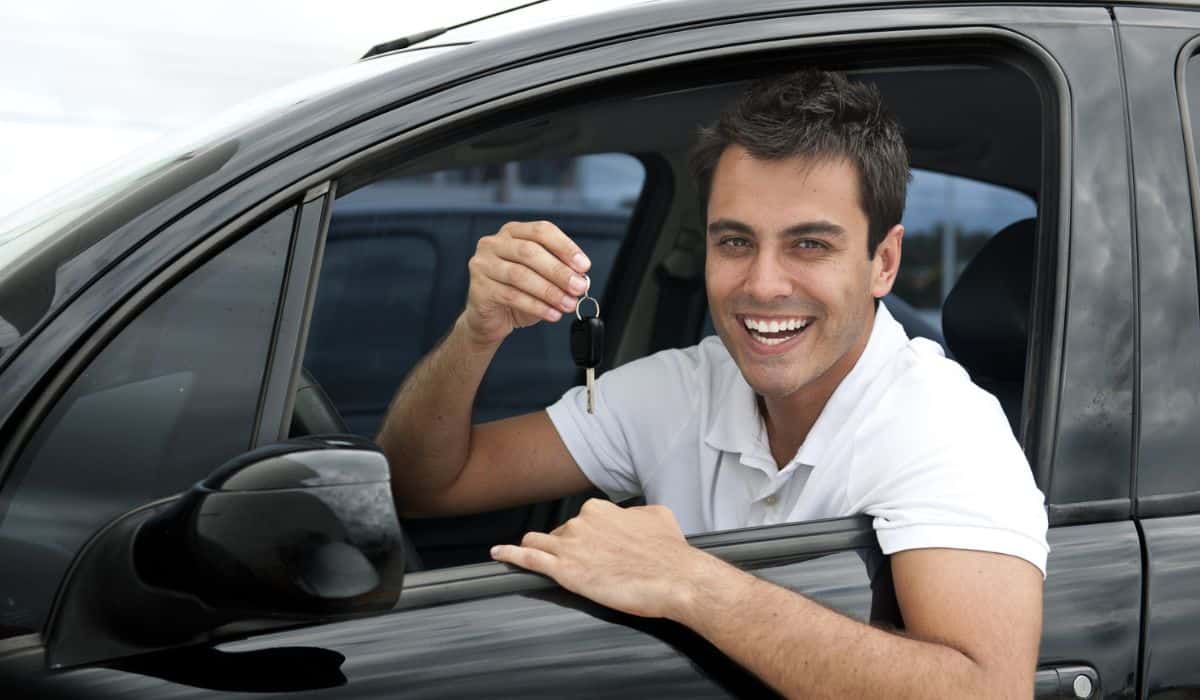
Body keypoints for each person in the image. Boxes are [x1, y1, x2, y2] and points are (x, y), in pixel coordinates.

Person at [377, 69, 1048, 697]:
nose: (761, 284)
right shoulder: (681, 387)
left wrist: (688, 580)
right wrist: (478, 331)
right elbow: (423, 482)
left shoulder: (943, 424)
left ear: (884, 263)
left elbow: (987, 689)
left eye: (809, 244)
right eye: (735, 242)